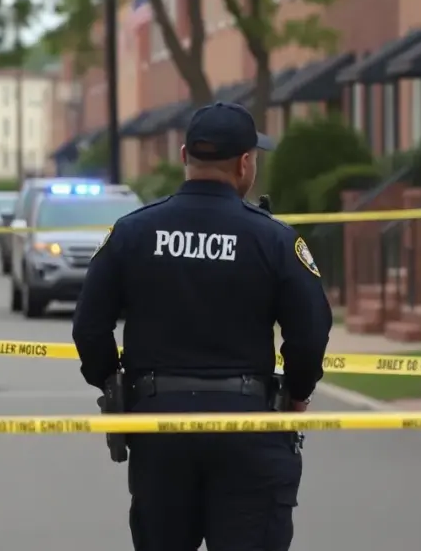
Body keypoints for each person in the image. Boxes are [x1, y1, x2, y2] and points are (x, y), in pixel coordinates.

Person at [72, 101, 334, 551]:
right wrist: (297, 393)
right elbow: (310, 331)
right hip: (249, 431)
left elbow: (89, 327)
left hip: (159, 432)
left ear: (183, 156)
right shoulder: (274, 239)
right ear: (245, 162)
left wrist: (112, 382)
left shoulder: (133, 233)